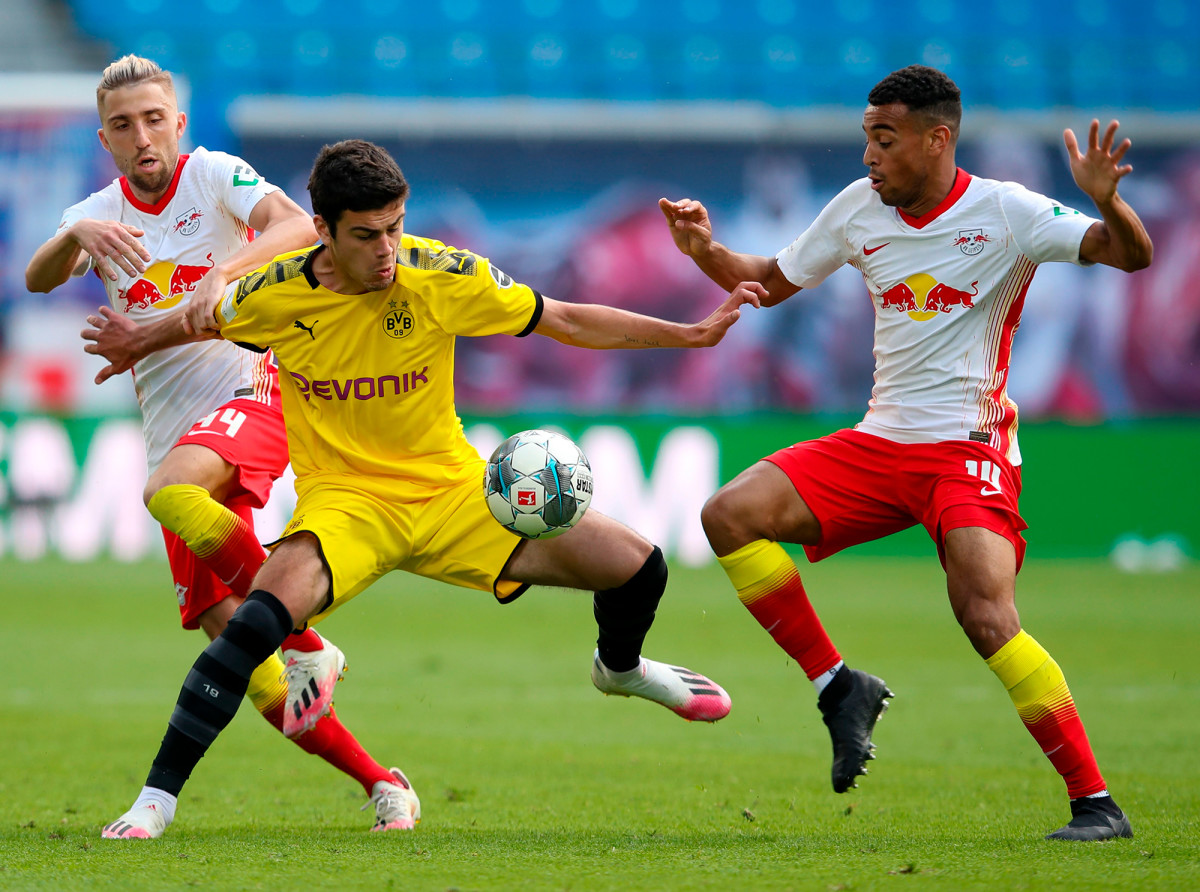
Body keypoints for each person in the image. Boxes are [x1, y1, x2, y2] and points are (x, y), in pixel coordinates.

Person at [90, 138, 752, 840]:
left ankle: (619, 668)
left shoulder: (440, 274)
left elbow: (564, 317)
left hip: (453, 495)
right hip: (347, 506)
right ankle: (155, 802)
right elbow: (198, 318)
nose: (387, 250)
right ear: (323, 231)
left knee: (639, 566)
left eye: (395, 227)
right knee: (251, 628)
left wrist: (690, 335)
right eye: (366, 235)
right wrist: (137, 341)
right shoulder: (273, 294)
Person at [659, 65, 1151, 842]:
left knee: (985, 614)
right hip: (881, 442)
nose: (869, 156)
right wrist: (704, 250)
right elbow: (768, 282)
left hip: (966, 447)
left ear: (937, 139)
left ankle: (1096, 804)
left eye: (884, 140)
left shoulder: (1008, 212)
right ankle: (838, 688)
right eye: (866, 138)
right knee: (729, 515)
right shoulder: (859, 208)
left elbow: (1131, 255)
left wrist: (1107, 200)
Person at [25, 56, 419, 835]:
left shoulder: (213, 175)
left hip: (253, 393)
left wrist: (223, 274)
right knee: (239, 646)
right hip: (174, 439)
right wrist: (74, 233)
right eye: (123, 126)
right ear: (105, 140)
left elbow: (296, 225)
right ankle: (382, 783)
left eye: (154, 120)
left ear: (177, 123)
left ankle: (300, 651)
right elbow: (41, 279)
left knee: (172, 496)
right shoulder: (97, 213)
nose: (142, 137)